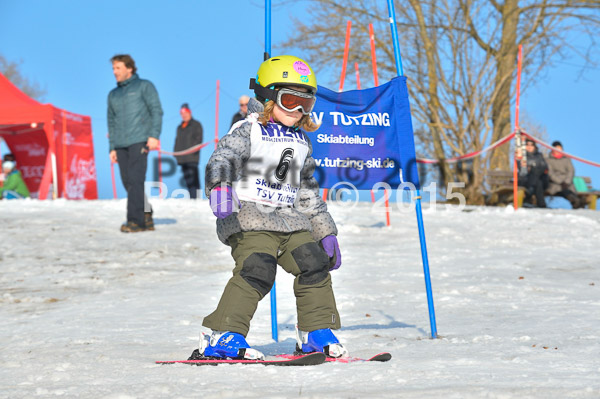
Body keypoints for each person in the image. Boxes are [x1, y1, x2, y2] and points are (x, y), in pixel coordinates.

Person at [196, 55, 346, 360]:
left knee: (314, 264)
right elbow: (223, 157)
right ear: (267, 96)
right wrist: (221, 186)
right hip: (249, 218)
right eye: (290, 100)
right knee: (257, 268)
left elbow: (306, 191)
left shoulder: (302, 141)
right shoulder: (249, 130)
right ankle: (222, 335)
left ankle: (314, 333)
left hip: (290, 221)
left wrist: (324, 230)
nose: (299, 110)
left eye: (306, 103)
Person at [107, 54, 163, 232]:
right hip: (121, 144)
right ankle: (146, 213)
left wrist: (154, 135)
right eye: (113, 68)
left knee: (136, 180)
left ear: (129, 68)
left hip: (140, 140)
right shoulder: (113, 94)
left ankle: (135, 221)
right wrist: (112, 147)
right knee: (129, 183)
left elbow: (156, 110)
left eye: (118, 68)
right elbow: (111, 121)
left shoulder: (144, 86)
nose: (115, 71)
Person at [173, 103, 203, 199]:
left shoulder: (196, 125)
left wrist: (191, 151)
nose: (184, 115)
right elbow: (177, 141)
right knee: (187, 180)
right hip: (182, 159)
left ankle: (196, 198)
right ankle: (191, 197)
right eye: (182, 113)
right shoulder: (179, 127)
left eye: (185, 113)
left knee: (193, 179)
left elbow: (198, 139)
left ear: (189, 113)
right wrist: (176, 153)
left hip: (192, 158)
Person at [545, 140, 581, 209]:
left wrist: (566, 182)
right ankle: (574, 201)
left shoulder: (567, 159)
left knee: (569, 191)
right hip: (555, 183)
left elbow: (571, 171)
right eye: (556, 148)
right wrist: (561, 182)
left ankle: (577, 203)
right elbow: (550, 173)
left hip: (567, 183)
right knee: (563, 192)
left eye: (559, 148)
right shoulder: (548, 160)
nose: (558, 150)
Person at [518, 139, 548, 208]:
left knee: (537, 179)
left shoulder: (539, 156)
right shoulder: (522, 156)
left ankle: (530, 195)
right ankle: (541, 204)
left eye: (531, 145)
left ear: (534, 146)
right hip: (526, 180)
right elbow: (521, 169)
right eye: (527, 145)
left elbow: (544, 167)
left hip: (539, 178)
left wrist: (534, 169)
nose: (529, 146)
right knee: (536, 181)